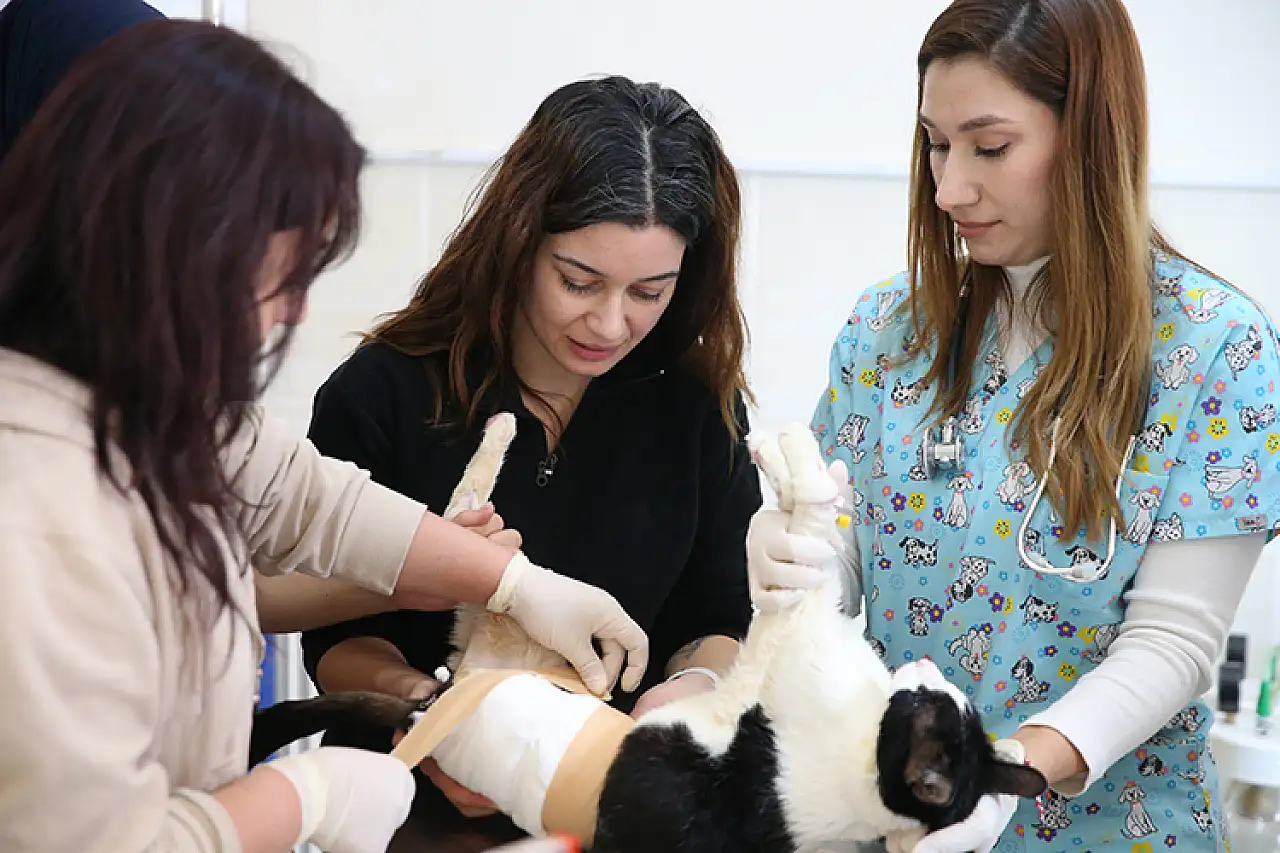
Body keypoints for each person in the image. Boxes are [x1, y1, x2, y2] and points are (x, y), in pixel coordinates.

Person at [0, 16, 640, 853]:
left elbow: (305, 498)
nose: (298, 310)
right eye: (277, 277)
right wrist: (304, 798)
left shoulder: (148, 398)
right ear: (166, 251)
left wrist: (513, 583)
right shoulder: (38, 522)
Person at [750, 1, 1280, 852]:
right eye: (935, 144)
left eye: (990, 147)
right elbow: (846, 561)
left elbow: (1173, 641)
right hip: (898, 821)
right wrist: (797, 559)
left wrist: (1005, 771)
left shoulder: (1215, 348)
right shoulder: (891, 330)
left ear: (1091, 137)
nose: (948, 188)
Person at [298, 74, 761, 818]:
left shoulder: (698, 409)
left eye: (649, 292)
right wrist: (444, 717)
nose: (609, 324)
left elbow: (722, 617)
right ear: (518, 243)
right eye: (578, 282)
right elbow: (333, 640)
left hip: (609, 803)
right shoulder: (386, 392)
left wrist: (692, 692)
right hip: (403, 804)